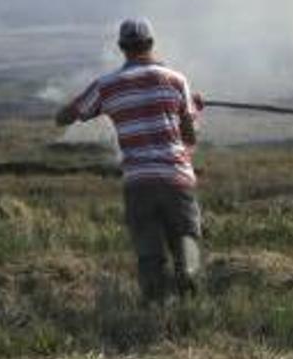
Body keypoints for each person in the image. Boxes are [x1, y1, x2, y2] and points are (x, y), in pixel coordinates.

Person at [56, 18, 204, 304]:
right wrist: (193, 109)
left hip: (138, 183)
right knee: (187, 244)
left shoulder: (107, 86)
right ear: (151, 43)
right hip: (176, 179)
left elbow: (65, 116)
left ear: (122, 48)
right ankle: (190, 306)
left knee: (149, 255)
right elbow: (190, 137)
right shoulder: (177, 80)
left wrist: (69, 109)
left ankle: (155, 309)